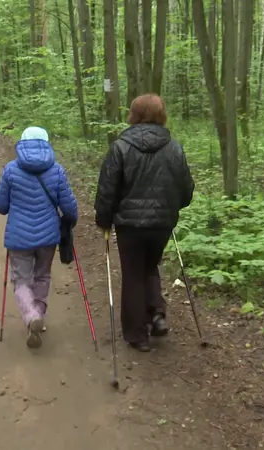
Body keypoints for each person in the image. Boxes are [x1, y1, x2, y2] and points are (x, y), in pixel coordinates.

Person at [93, 94, 195, 352]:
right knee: (150, 267)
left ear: (134, 114)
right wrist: (170, 209)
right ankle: (156, 314)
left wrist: (104, 219)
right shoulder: (174, 148)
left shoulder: (120, 147)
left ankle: (137, 334)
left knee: (134, 274)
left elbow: (107, 189)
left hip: (130, 225)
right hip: (161, 224)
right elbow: (186, 190)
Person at [0, 127, 78, 349]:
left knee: (21, 280)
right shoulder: (57, 170)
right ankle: (38, 314)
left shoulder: (11, 170)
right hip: (48, 236)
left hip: (18, 237)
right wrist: (71, 221)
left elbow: (1, 206)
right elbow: (69, 206)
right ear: (47, 143)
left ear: (22, 144)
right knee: (42, 276)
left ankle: (31, 316)